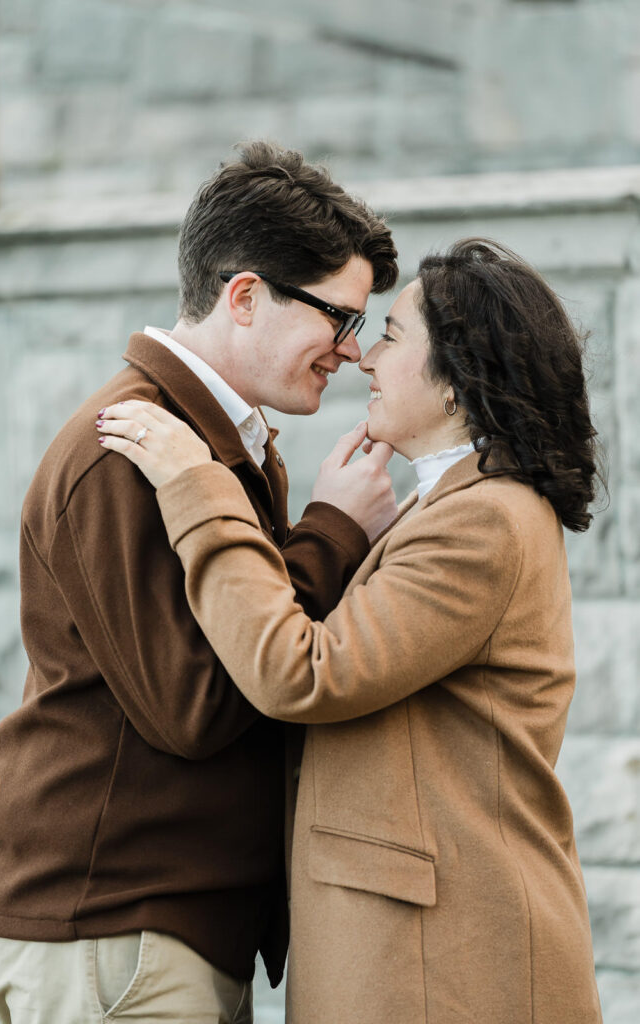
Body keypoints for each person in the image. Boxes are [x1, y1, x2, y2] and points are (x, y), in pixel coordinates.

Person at [97, 238, 605, 1024]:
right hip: (416, 947)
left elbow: (301, 674)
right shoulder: (451, 509)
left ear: (457, 385)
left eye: (391, 337)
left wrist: (196, 485)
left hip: (443, 961)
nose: (362, 357)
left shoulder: (482, 522)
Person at [0, 141, 400, 1024]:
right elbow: (196, 704)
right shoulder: (126, 447)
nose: (352, 352)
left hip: (163, 929)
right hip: (113, 928)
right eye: (338, 317)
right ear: (245, 297)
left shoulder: (222, 441)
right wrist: (330, 535)